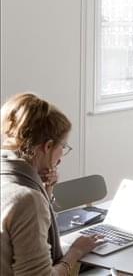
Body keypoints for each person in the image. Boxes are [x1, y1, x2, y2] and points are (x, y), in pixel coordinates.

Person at [1, 93, 101, 275]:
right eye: (63, 146)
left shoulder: (11, 180)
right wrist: (75, 252)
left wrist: (46, 189)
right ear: (47, 146)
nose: (61, 156)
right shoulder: (27, 199)